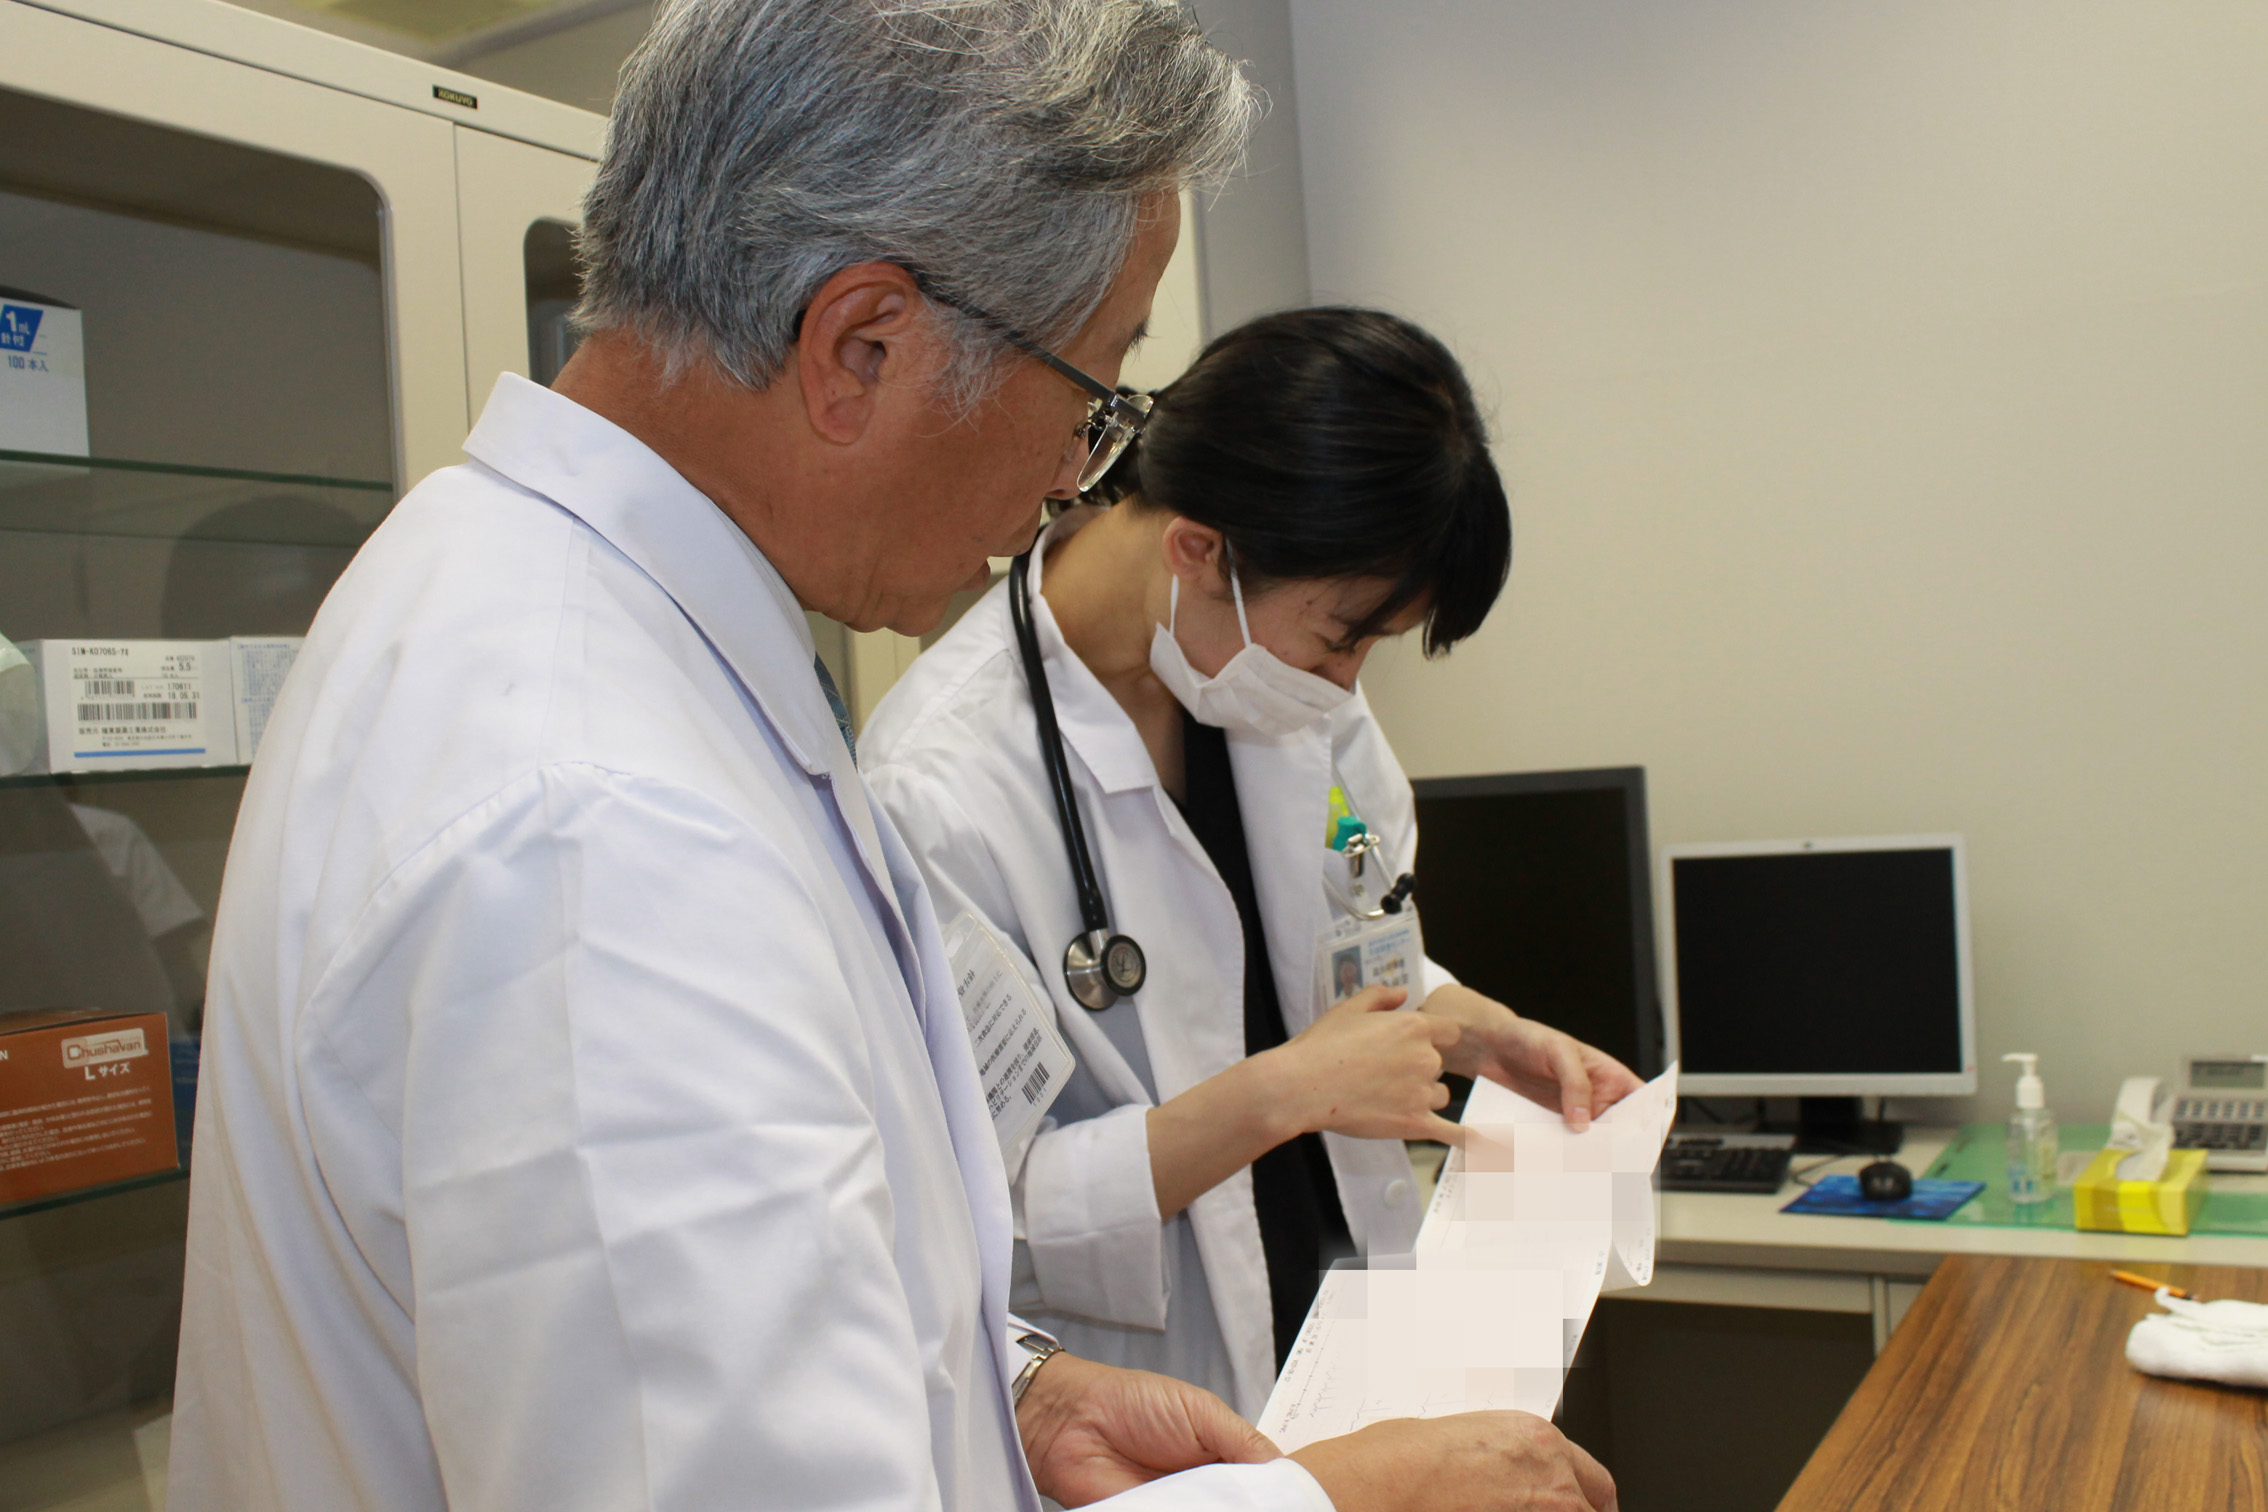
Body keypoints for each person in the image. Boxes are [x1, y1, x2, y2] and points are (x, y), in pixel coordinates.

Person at [168, 4, 1617, 1512]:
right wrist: (1340, 1501)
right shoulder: (603, 828)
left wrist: (1010, 1390)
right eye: (1095, 394)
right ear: (862, 346)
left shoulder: (539, 615)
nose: (1079, 476)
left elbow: (760, 1312)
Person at [860, 307, 1647, 1420]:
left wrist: (1477, 1031)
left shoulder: (1273, 677)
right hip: (1157, 1401)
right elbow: (978, 1210)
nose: (1346, 683)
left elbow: (1347, 948)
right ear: (1199, 552)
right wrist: (1280, 1095)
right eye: (1342, 635)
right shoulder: (938, 788)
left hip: (1353, 1336)